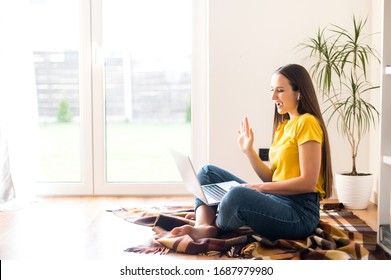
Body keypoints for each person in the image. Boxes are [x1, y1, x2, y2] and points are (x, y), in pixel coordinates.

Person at [171, 63, 333, 241]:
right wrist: (249, 151)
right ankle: (203, 226)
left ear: (299, 92)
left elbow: (308, 183)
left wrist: (257, 188)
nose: (273, 96)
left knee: (238, 195)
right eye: (272, 90)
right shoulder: (284, 126)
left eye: (280, 90)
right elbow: (273, 179)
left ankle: (216, 221)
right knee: (207, 173)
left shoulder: (307, 122)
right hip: (278, 198)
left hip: (300, 213)